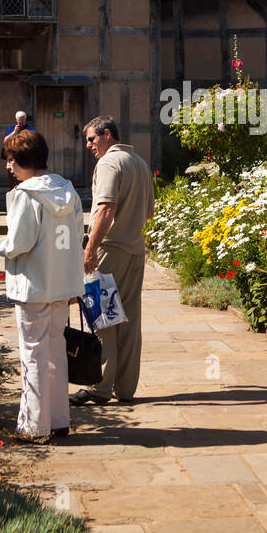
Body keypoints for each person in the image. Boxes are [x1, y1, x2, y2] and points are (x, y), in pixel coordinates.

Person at [0, 130, 83, 441]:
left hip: (33, 287)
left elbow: (17, 245)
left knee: (33, 354)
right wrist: (76, 282)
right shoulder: (68, 190)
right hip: (61, 286)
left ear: (23, 160)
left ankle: (34, 426)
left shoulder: (25, 195)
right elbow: (76, 240)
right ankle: (59, 421)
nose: (8, 166)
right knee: (56, 352)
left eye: (10, 159)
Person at [72, 116, 153, 406]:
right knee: (129, 320)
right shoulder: (140, 164)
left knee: (103, 320)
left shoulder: (109, 163)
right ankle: (126, 388)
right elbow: (147, 213)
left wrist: (91, 248)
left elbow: (106, 207)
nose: (89, 145)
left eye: (92, 139)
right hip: (134, 250)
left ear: (107, 135)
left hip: (108, 252)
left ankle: (100, 387)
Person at [2, 111, 34, 194]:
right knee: (13, 181)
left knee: (25, 181)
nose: (21, 121)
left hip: (25, 159)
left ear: (25, 119)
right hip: (13, 159)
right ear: (16, 120)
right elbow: (5, 141)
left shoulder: (30, 129)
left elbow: (34, 141)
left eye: (23, 119)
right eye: (20, 120)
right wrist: (15, 132)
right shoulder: (11, 129)